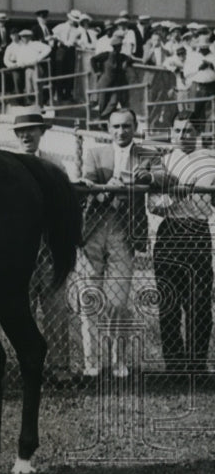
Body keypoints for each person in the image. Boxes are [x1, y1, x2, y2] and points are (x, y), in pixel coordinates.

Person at [78, 109, 157, 378]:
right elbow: (88, 183)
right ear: (108, 128)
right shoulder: (95, 153)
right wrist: (107, 190)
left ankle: (118, 361)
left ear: (135, 126)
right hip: (95, 229)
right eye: (115, 126)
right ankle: (92, 362)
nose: (121, 131)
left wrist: (135, 182)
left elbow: (159, 179)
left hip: (125, 233)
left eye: (126, 126)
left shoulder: (146, 154)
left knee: (118, 301)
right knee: (90, 297)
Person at [10, 105, 77, 382]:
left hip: (48, 250)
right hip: (18, 252)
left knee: (56, 312)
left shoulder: (54, 165)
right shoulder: (7, 164)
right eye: (21, 131)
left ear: (41, 132)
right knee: (19, 313)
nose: (27, 135)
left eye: (32, 130)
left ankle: (60, 369)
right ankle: (24, 368)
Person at [149, 113, 215, 373]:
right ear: (171, 132)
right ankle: (174, 366)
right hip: (170, 232)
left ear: (197, 132)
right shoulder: (162, 161)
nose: (182, 135)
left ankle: (197, 363)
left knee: (199, 302)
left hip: (198, 232)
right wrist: (175, 197)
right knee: (170, 301)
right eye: (178, 130)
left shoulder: (210, 160)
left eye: (188, 130)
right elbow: (153, 205)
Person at [91, 33, 137, 119]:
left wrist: (127, 62)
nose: (119, 48)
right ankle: (102, 121)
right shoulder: (106, 55)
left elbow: (130, 59)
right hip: (105, 83)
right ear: (114, 47)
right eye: (117, 47)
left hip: (115, 84)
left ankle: (103, 117)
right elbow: (93, 59)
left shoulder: (121, 57)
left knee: (113, 102)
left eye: (120, 46)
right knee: (103, 102)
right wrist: (97, 71)